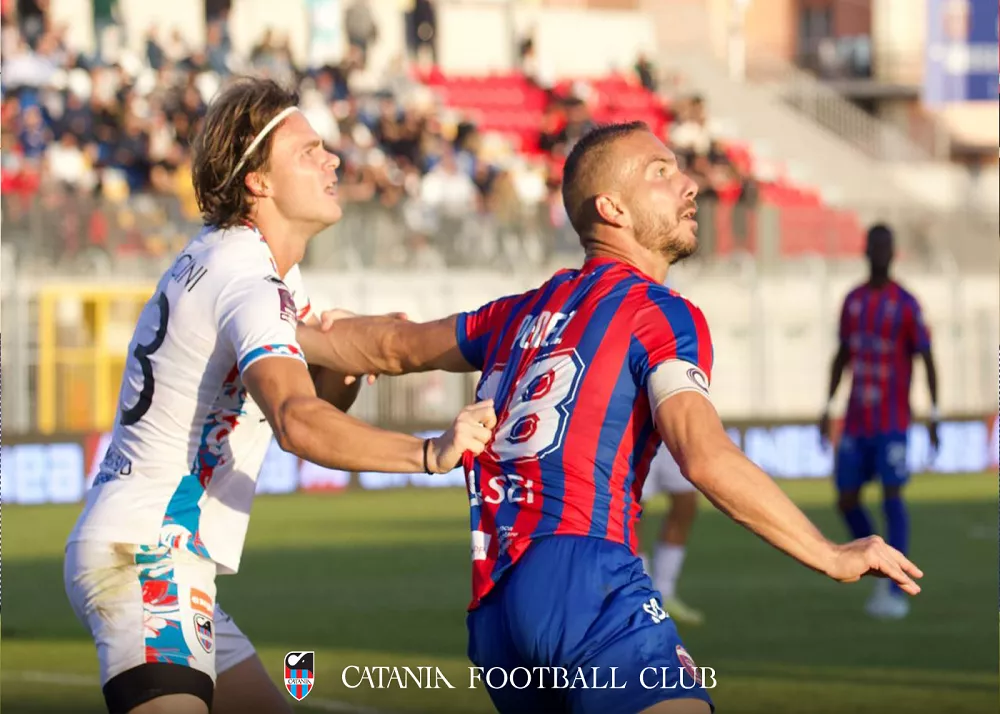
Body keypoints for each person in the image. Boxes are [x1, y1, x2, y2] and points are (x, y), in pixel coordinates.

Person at [299, 122, 923, 714]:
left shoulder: (517, 313)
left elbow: (391, 345)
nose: (689, 185)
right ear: (612, 210)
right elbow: (704, 456)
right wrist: (829, 553)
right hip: (586, 577)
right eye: (660, 172)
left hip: (494, 613)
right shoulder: (659, 313)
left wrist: (285, 329)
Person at [62, 77, 495, 714]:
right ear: (257, 182)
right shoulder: (250, 281)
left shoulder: (250, 265)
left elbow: (343, 364)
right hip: (152, 555)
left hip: (162, 555)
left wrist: (352, 364)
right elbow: (297, 420)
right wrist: (430, 453)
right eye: (307, 150)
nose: (334, 159)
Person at [820, 223, 938, 620]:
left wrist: (934, 413)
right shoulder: (853, 301)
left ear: (894, 252)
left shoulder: (906, 303)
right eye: (874, 246)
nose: (880, 253)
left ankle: (894, 588)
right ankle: (877, 552)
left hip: (892, 422)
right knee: (846, 498)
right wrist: (827, 405)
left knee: (892, 497)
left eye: (886, 247)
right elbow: (842, 356)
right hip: (856, 420)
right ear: (866, 250)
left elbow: (926, 357)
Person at [639, 443, 705, 626]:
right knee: (633, 510)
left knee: (686, 503)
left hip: (670, 432)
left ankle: (665, 593)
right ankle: (642, 597)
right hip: (635, 429)